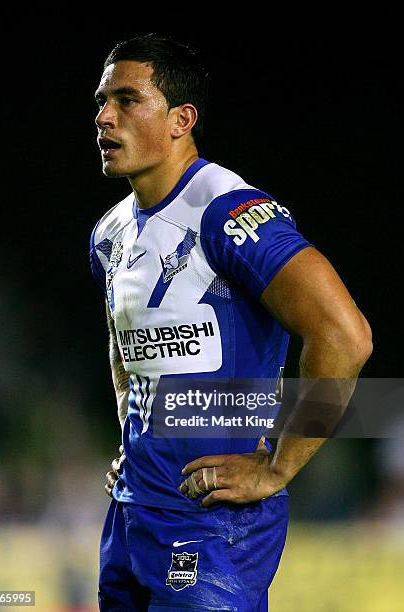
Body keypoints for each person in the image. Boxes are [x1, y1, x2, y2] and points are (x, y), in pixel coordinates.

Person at [89, 33, 372, 611]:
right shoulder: (109, 233)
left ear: (181, 119)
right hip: (130, 515)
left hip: (214, 527)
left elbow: (346, 336)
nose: (103, 117)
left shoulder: (227, 211)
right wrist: (132, 433)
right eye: (101, 101)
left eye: (126, 100)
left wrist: (278, 468)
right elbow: (125, 340)